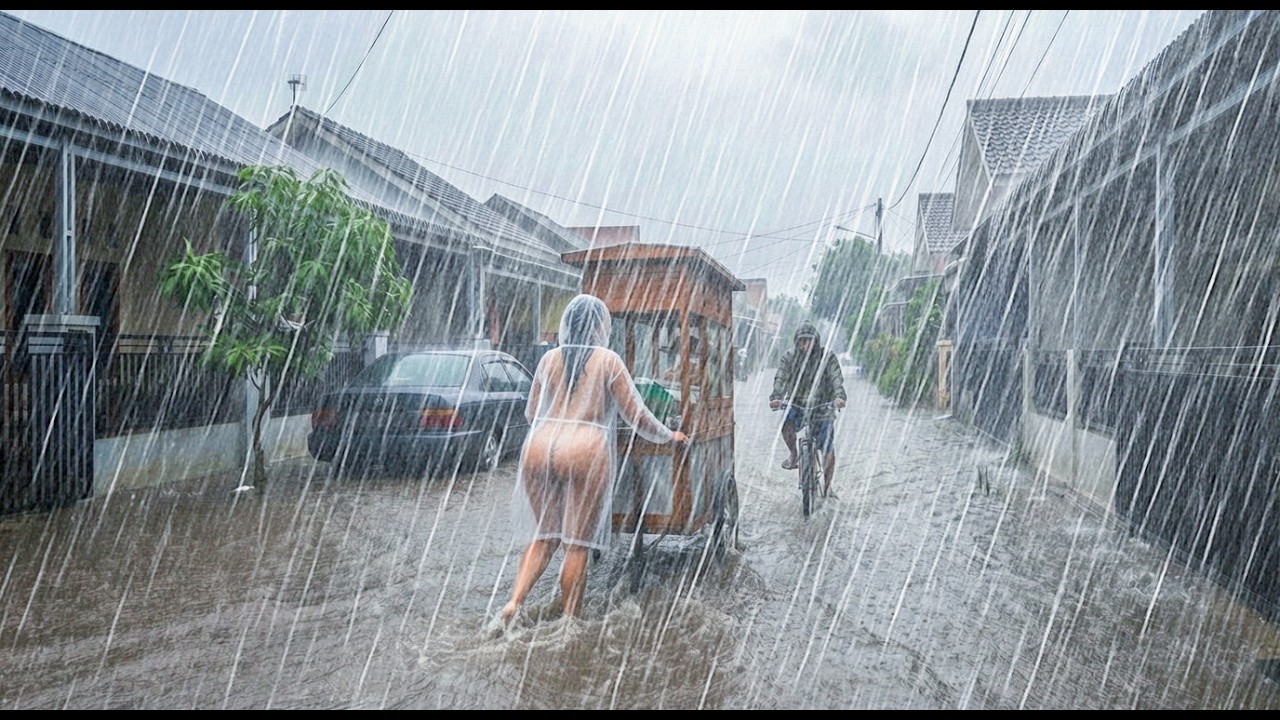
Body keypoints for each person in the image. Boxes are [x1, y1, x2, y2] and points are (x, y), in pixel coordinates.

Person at [496, 294, 688, 630]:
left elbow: (531, 413)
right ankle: (569, 624)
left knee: (543, 536)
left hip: (540, 447)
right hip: (585, 448)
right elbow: (638, 416)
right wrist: (668, 436)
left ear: (568, 324)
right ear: (601, 326)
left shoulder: (548, 360)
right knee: (576, 543)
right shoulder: (608, 361)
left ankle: (513, 602)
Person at [768, 321, 847, 498]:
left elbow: (836, 378)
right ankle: (794, 454)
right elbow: (781, 377)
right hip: (797, 404)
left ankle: (827, 488)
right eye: (802, 341)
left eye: (809, 341)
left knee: (827, 447)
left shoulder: (827, 357)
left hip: (822, 406)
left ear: (816, 341)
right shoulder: (789, 357)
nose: (806, 345)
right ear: (797, 342)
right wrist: (776, 396)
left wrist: (839, 396)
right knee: (786, 424)